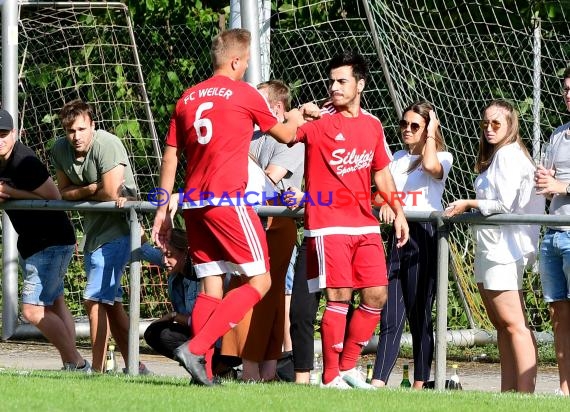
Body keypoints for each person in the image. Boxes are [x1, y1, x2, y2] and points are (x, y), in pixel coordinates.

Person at [151, 28, 303, 386]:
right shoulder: (244, 93)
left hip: (194, 204)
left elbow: (171, 155)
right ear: (236, 61)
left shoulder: (187, 97)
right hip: (227, 202)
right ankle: (197, 347)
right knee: (262, 280)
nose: (247, 67)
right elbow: (285, 135)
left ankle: (200, 369)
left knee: (211, 287)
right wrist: (299, 114)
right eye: (247, 61)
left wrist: (162, 207)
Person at [272, 50, 410, 389]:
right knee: (339, 296)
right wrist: (295, 112)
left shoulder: (373, 124)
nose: (334, 86)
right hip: (328, 225)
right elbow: (285, 134)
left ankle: (347, 367)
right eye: (331, 81)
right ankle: (330, 376)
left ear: (360, 84)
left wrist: (400, 213)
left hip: (365, 225)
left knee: (377, 295)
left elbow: (381, 172)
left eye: (342, 81)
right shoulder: (318, 124)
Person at [445, 99, 544, 393]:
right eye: (485, 123)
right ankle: (509, 392)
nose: (489, 129)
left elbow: (505, 204)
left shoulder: (510, 155)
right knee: (502, 325)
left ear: (510, 125)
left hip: (505, 249)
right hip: (490, 246)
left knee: (515, 324)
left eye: (496, 124)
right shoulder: (498, 155)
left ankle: (525, 393)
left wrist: (468, 203)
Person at [51, 99, 146, 374]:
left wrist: (87, 191)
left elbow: (112, 192)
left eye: (82, 129)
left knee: (93, 300)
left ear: (92, 125)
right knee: (112, 305)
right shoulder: (60, 149)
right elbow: (63, 192)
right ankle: (136, 366)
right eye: (70, 131)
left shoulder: (107, 143)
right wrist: (91, 188)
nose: (76, 136)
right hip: (94, 235)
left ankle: (96, 370)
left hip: (120, 230)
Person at [221, 79, 304, 382]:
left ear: (277, 108)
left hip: (277, 223)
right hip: (248, 220)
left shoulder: (291, 138)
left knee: (271, 294)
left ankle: (264, 366)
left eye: (258, 101)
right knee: (250, 289)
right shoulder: (249, 135)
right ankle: (248, 365)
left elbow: (271, 178)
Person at [0, 109, 90, 372]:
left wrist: (8, 192)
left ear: (14, 134)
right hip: (32, 242)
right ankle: (72, 366)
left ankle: (77, 362)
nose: (0, 140)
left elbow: (53, 197)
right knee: (56, 302)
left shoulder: (24, 161)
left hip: (51, 241)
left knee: (32, 311)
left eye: (4, 135)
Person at [371, 102, 452, 389]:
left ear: (428, 128)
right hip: (398, 232)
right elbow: (383, 194)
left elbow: (431, 168)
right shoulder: (396, 157)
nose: (407, 129)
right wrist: (386, 205)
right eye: (404, 124)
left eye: (415, 125)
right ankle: (379, 380)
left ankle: (420, 382)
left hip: (424, 233)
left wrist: (431, 133)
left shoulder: (442, 155)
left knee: (420, 313)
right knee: (390, 312)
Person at [535, 66, 570, 396]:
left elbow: (562, 184)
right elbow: (550, 186)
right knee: (558, 313)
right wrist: (545, 185)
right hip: (553, 233)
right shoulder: (558, 134)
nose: (569, 95)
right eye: (566, 89)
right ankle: (565, 389)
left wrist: (562, 184)